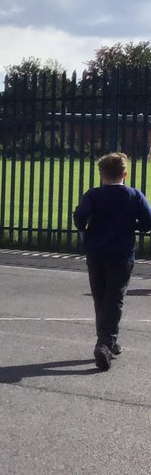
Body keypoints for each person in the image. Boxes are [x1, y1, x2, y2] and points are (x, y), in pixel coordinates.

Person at [73, 152, 151, 370]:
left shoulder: (93, 195)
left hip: (96, 251)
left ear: (101, 174)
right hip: (121, 253)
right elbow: (147, 222)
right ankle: (105, 343)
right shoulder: (134, 195)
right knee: (115, 298)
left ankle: (108, 340)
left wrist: (85, 225)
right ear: (125, 173)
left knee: (100, 296)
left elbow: (80, 218)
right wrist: (132, 225)